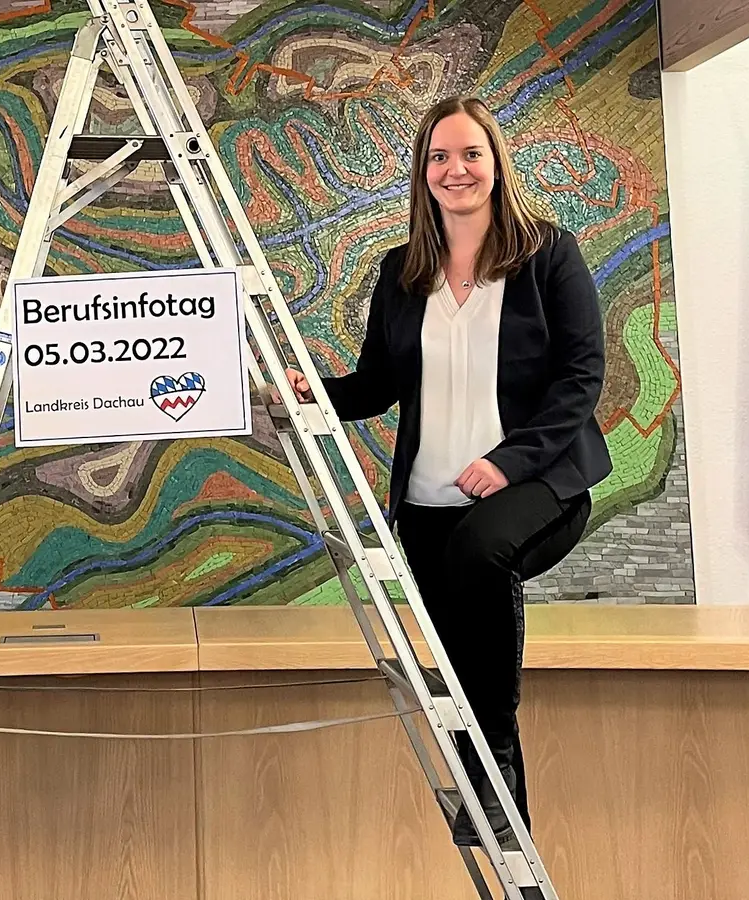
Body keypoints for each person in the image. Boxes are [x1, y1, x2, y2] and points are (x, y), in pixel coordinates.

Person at [281, 96, 610, 847]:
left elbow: (581, 378)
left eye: (469, 154)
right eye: (438, 157)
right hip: (429, 499)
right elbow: (374, 386)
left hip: (540, 482)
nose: (455, 169)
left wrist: (507, 462)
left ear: (496, 163)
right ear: (422, 174)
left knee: (481, 552)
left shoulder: (548, 255)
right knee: (461, 644)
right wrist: (312, 391)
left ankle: (488, 760)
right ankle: (501, 804)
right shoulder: (402, 274)